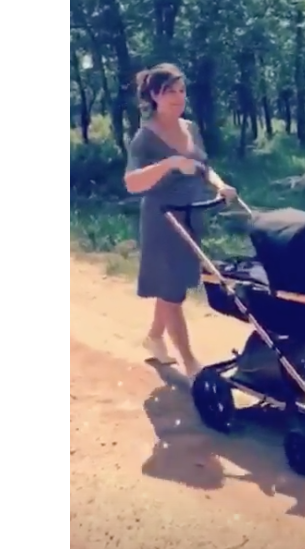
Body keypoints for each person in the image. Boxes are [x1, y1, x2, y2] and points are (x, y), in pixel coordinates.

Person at [124, 62, 237, 380]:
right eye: (169, 91)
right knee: (171, 290)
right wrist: (170, 163)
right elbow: (131, 182)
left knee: (174, 288)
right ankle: (189, 362)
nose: (177, 96)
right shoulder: (145, 138)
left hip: (191, 216)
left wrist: (220, 184)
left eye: (181, 90)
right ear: (154, 95)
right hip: (163, 220)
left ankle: (155, 337)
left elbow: (203, 166)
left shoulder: (190, 128)